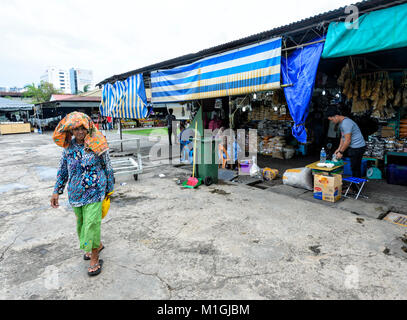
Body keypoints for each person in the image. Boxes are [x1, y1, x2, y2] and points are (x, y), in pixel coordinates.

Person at [50, 111, 114, 277]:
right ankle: (96, 244)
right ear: (70, 131)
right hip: (76, 193)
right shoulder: (68, 148)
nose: (79, 132)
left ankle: (94, 257)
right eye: (76, 129)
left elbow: (107, 166)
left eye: (82, 128)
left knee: (92, 223)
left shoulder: (97, 143)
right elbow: (63, 170)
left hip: (95, 190)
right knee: (82, 224)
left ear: (88, 128)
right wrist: (56, 190)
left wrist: (110, 188)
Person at [325, 107, 366, 178]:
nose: (332, 122)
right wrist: (338, 149)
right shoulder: (342, 123)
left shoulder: (345, 123)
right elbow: (343, 137)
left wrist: (341, 152)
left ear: (336, 116)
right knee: (354, 167)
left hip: (358, 147)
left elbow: (347, 140)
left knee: (355, 168)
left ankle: (356, 187)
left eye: (332, 120)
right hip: (354, 146)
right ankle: (354, 186)